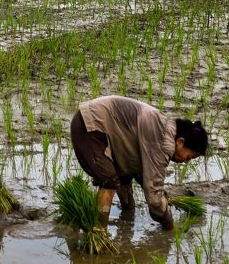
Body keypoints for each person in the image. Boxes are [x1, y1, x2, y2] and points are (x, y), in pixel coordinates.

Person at [69, 95, 208, 230]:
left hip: (96, 121)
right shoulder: (164, 143)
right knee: (109, 181)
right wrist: (170, 226)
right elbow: (154, 199)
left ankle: (126, 217)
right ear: (180, 142)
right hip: (90, 125)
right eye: (189, 156)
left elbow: (143, 176)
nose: (186, 162)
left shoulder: (164, 130)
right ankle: (99, 233)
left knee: (125, 176)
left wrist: (161, 197)